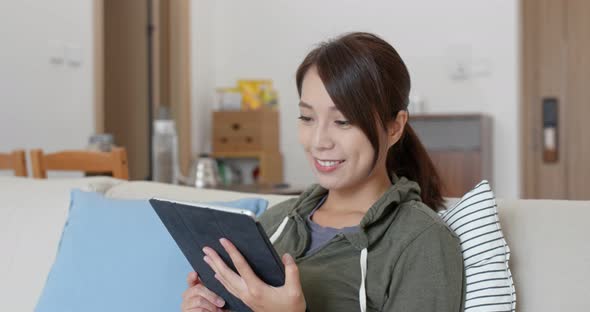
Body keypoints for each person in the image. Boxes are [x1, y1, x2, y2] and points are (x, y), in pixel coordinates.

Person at [181, 32, 464, 312]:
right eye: (307, 117)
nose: (319, 141)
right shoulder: (275, 223)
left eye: (342, 121)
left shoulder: (422, 241)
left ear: (395, 127)